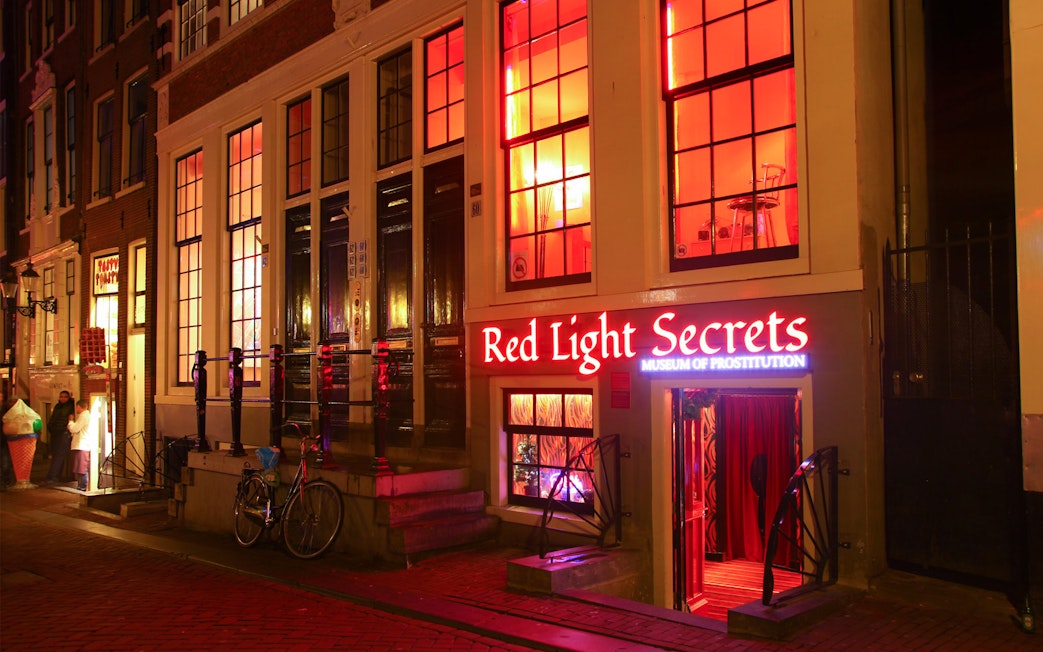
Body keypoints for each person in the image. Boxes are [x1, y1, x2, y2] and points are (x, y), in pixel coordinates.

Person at [42, 391, 75, 485]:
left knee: (58, 456)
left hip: (63, 433)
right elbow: (53, 419)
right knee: (55, 455)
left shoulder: (70, 407)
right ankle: (53, 476)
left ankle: (52, 477)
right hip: (55, 434)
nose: (63, 398)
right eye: (61, 396)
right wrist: (51, 428)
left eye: (65, 397)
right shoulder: (57, 406)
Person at [67, 399, 91, 491]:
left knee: (81, 468)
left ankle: (82, 486)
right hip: (81, 445)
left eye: (76, 407)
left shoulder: (84, 417)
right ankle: (81, 485)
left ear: (79, 407)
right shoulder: (85, 416)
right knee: (80, 467)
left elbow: (74, 429)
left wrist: (70, 421)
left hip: (81, 445)